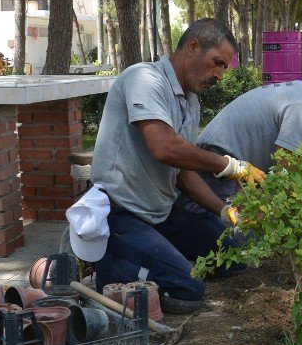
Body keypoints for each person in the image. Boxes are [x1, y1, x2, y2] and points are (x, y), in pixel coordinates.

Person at [77, 18, 266, 313]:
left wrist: (223, 210)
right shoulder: (143, 78)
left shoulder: (191, 103)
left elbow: (182, 171)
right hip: (122, 212)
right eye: (216, 63)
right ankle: (107, 262)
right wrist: (230, 165)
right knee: (187, 288)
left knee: (234, 253)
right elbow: (164, 147)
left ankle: (153, 254)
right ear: (192, 47)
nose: (219, 75)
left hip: (161, 213)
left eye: (224, 67)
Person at [177, 61, 302, 218]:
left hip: (229, 167)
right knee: (234, 243)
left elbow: (301, 164)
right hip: (215, 168)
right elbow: (287, 166)